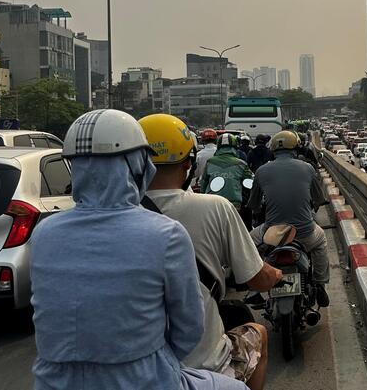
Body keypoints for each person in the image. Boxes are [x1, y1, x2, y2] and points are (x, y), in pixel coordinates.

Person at [29, 109, 246, 390]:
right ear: (137, 165)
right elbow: (189, 329)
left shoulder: (44, 233)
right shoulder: (166, 234)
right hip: (144, 380)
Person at [139, 114, 282, 390]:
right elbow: (256, 279)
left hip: (137, 369)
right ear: (188, 164)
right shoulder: (216, 206)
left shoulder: (114, 218)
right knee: (258, 333)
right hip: (205, 366)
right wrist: (274, 274)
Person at [247, 130, 330, 307]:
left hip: (272, 234)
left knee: (248, 243)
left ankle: (254, 289)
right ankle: (320, 284)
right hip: (304, 233)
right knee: (321, 240)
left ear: (274, 150)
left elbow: (253, 204)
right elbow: (319, 198)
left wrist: (259, 212)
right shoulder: (307, 168)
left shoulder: (261, 171)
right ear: (296, 147)